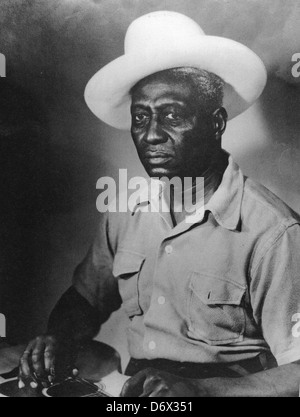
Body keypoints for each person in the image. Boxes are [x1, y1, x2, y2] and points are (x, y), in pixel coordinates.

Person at [19, 11, 300, 397]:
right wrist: (58, 338)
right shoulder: (125, 210)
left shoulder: (273, 232)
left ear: (216, 122)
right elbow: (84, 300)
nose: (151, 135)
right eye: (141, 116)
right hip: (135, 397)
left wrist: (201, 392)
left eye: (171, 114)